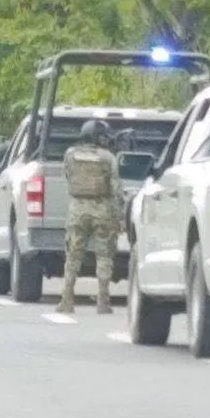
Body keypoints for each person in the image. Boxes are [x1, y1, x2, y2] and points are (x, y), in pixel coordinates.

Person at [56, 121, 124, 315]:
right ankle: (103, 301)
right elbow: (116, 189)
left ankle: (67, 299)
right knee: (104, 256)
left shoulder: (70, 155)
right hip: (103, 208)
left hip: (77, 209)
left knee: (73, 255)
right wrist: (119, 215)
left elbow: (68, 177)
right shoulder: (108, 157)